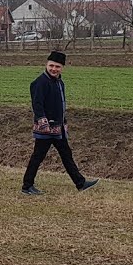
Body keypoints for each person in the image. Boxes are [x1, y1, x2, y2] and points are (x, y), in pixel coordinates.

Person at [21, 51, 99, 195]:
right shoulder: (40, 82)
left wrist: (64, 122)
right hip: (46, 129)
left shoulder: (59, 82)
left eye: (57, 66)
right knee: (38, 156)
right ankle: (27, 186)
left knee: (66, 154)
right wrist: (43, 122)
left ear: (62, 68)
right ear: (46, 64)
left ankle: (80, 183)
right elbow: (37, 105)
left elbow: (61, 105)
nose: (54, 69)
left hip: (58, 128)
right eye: (51, 65)